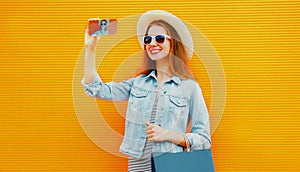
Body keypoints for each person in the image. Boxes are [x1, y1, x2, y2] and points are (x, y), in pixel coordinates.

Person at [82, 10, 211, 172]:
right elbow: (97, 89)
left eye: (159, 38)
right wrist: (90, 48)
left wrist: (168, 135)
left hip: (171, 164)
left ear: (173, 44)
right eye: (148, 39)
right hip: (138, 166)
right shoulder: (138, 83)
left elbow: (204, 139)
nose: (152, 43)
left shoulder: (190, 87)